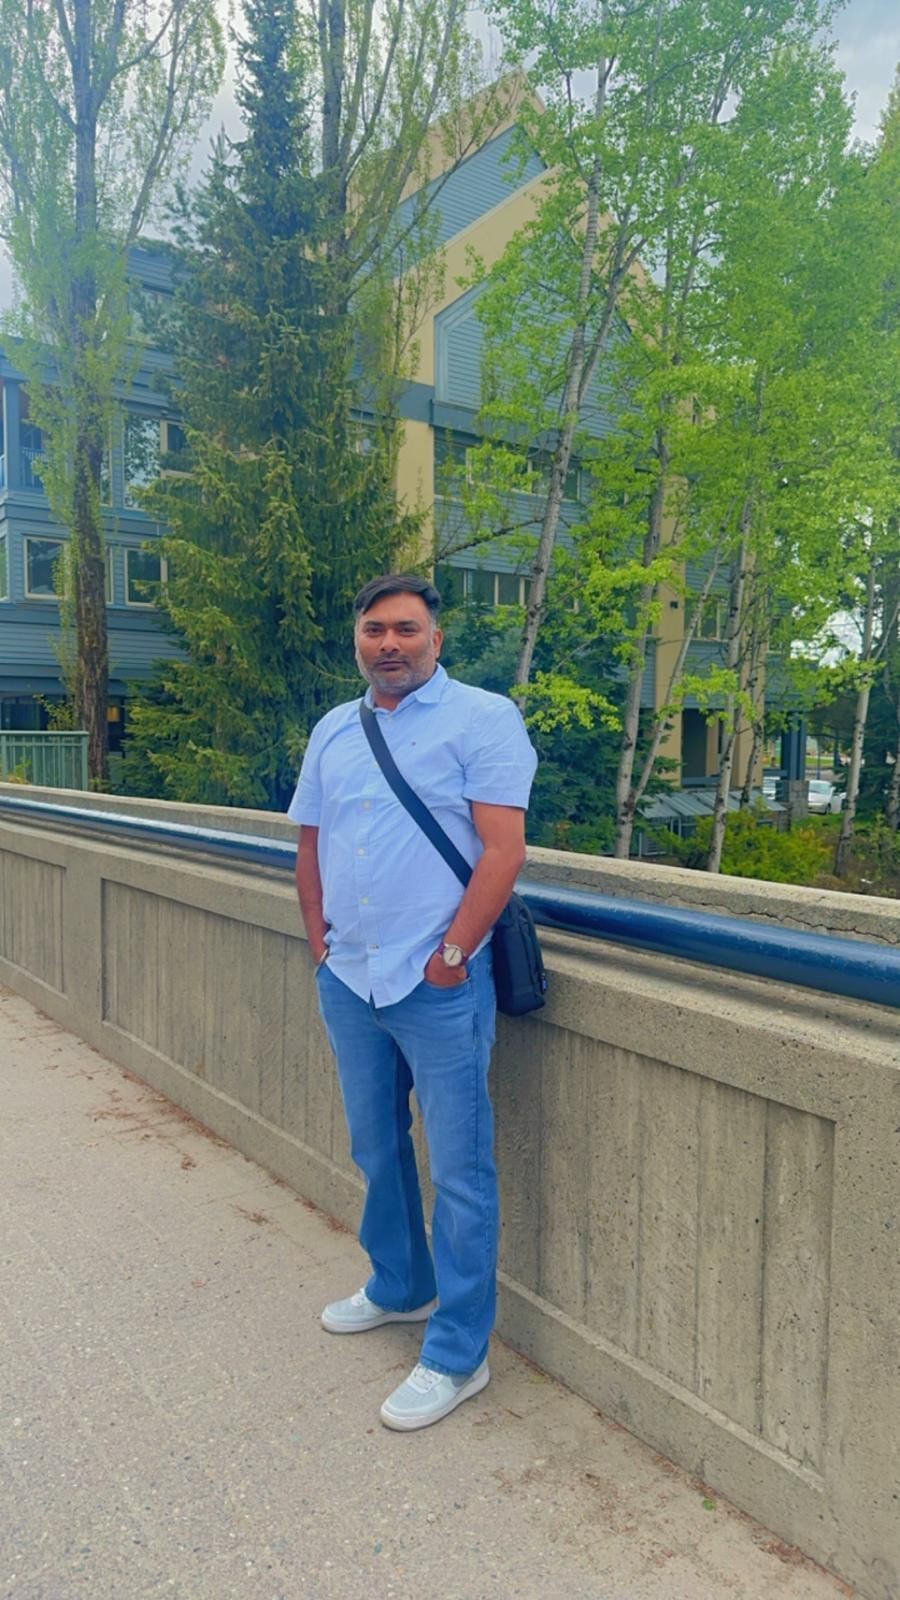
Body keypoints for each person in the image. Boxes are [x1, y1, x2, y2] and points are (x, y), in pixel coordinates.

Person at [288, 573, 537, 1431]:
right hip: (350, 976)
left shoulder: (483, 719)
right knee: (374, 1146)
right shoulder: (333, 728)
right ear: (356, 638)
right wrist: (317, 940)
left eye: (405, 629)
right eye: (373, 630)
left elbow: (503, 853)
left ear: (437, 638)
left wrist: (450, 957)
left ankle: (459, 1353)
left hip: (438, 983)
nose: (388, 643)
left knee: (462, 1172)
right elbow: (310, 842)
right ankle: (400, 1285)